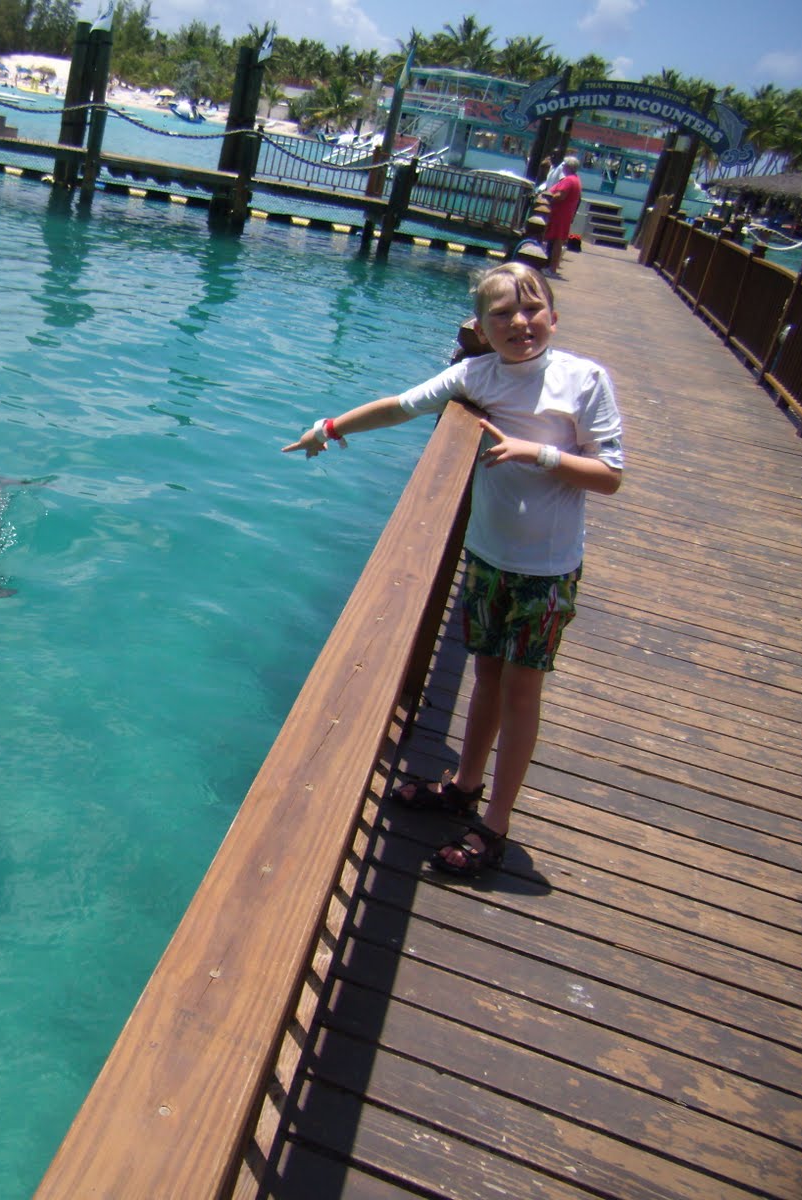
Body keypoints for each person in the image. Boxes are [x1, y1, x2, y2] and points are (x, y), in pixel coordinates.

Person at [280, 262, 625, 877]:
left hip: (545, 572)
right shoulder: (477, 374)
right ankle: (465, 785)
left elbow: (610, 476)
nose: (520, 322)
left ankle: (494, 824)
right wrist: (328, 428)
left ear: (554, 312)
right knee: (487, 677)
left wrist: (538, 453)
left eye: (532, 308)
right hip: (489, 557)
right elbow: (399, 407)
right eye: (502, 314)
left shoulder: (582, 379)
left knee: (521, 693)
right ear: (481, 328)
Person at [542, 156, 583, 278]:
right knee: (556, 241)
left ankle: (551, 269)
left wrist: (547, 198)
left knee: (556, 241)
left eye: (564, 165)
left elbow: (560, 196)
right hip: (564, 215)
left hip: (560, 214)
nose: (563, 167)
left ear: (569, 167)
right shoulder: (575, 179)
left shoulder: (569, 180)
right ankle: (550, 266)